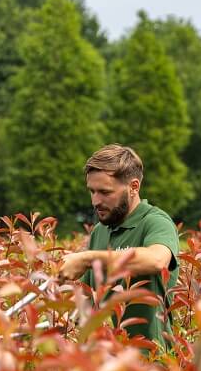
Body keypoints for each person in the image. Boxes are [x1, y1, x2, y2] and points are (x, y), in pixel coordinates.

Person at [59, 144, 179, 348]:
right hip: (107, 363)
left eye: (105, 192)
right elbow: (87, 305)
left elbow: (157, 260)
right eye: (92, 191)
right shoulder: (100, 231)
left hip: (151, 364)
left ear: (134, 187)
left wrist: (87, 258)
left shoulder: (155, 222)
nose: (96, 201)